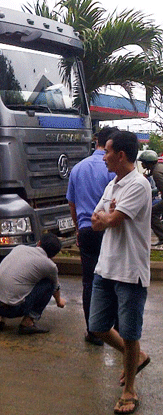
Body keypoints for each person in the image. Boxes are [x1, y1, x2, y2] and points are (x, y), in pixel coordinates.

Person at [90, 130, 151, 415]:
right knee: (98, 326)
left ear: (121, 155)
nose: (104, 157)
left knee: (129, 332)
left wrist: (108, 217)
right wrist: (106, 217)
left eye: (107, 152)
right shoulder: (112, 185)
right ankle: (136, 357)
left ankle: (129, 391)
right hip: (106, 266)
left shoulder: (139, 185)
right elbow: (95, 220)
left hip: (130, 270)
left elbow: (112, 220)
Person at [66, 126, 117, 346]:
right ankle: (115, 329)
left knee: (89, 282)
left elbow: (72, 203)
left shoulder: (78, 168)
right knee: (113, 279)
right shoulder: (113, 167)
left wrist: (79, 228)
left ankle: (93, 332)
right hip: (109, 230)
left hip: (86, 230)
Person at [0, 233, 66, 334]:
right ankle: (28, 323)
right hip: (12, 309)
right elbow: (55, 287)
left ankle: (0, 320)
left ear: (39, 243)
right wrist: (59, 301)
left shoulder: (19, 248)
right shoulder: (50, 266)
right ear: (53, 255)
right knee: (48, 284)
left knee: (14, 278)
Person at [136, 149, 163, 246]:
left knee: (152, 213)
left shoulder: (156, 173)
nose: (142, 165)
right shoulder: (158, 168)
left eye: (143, 163)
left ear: (148, 163)